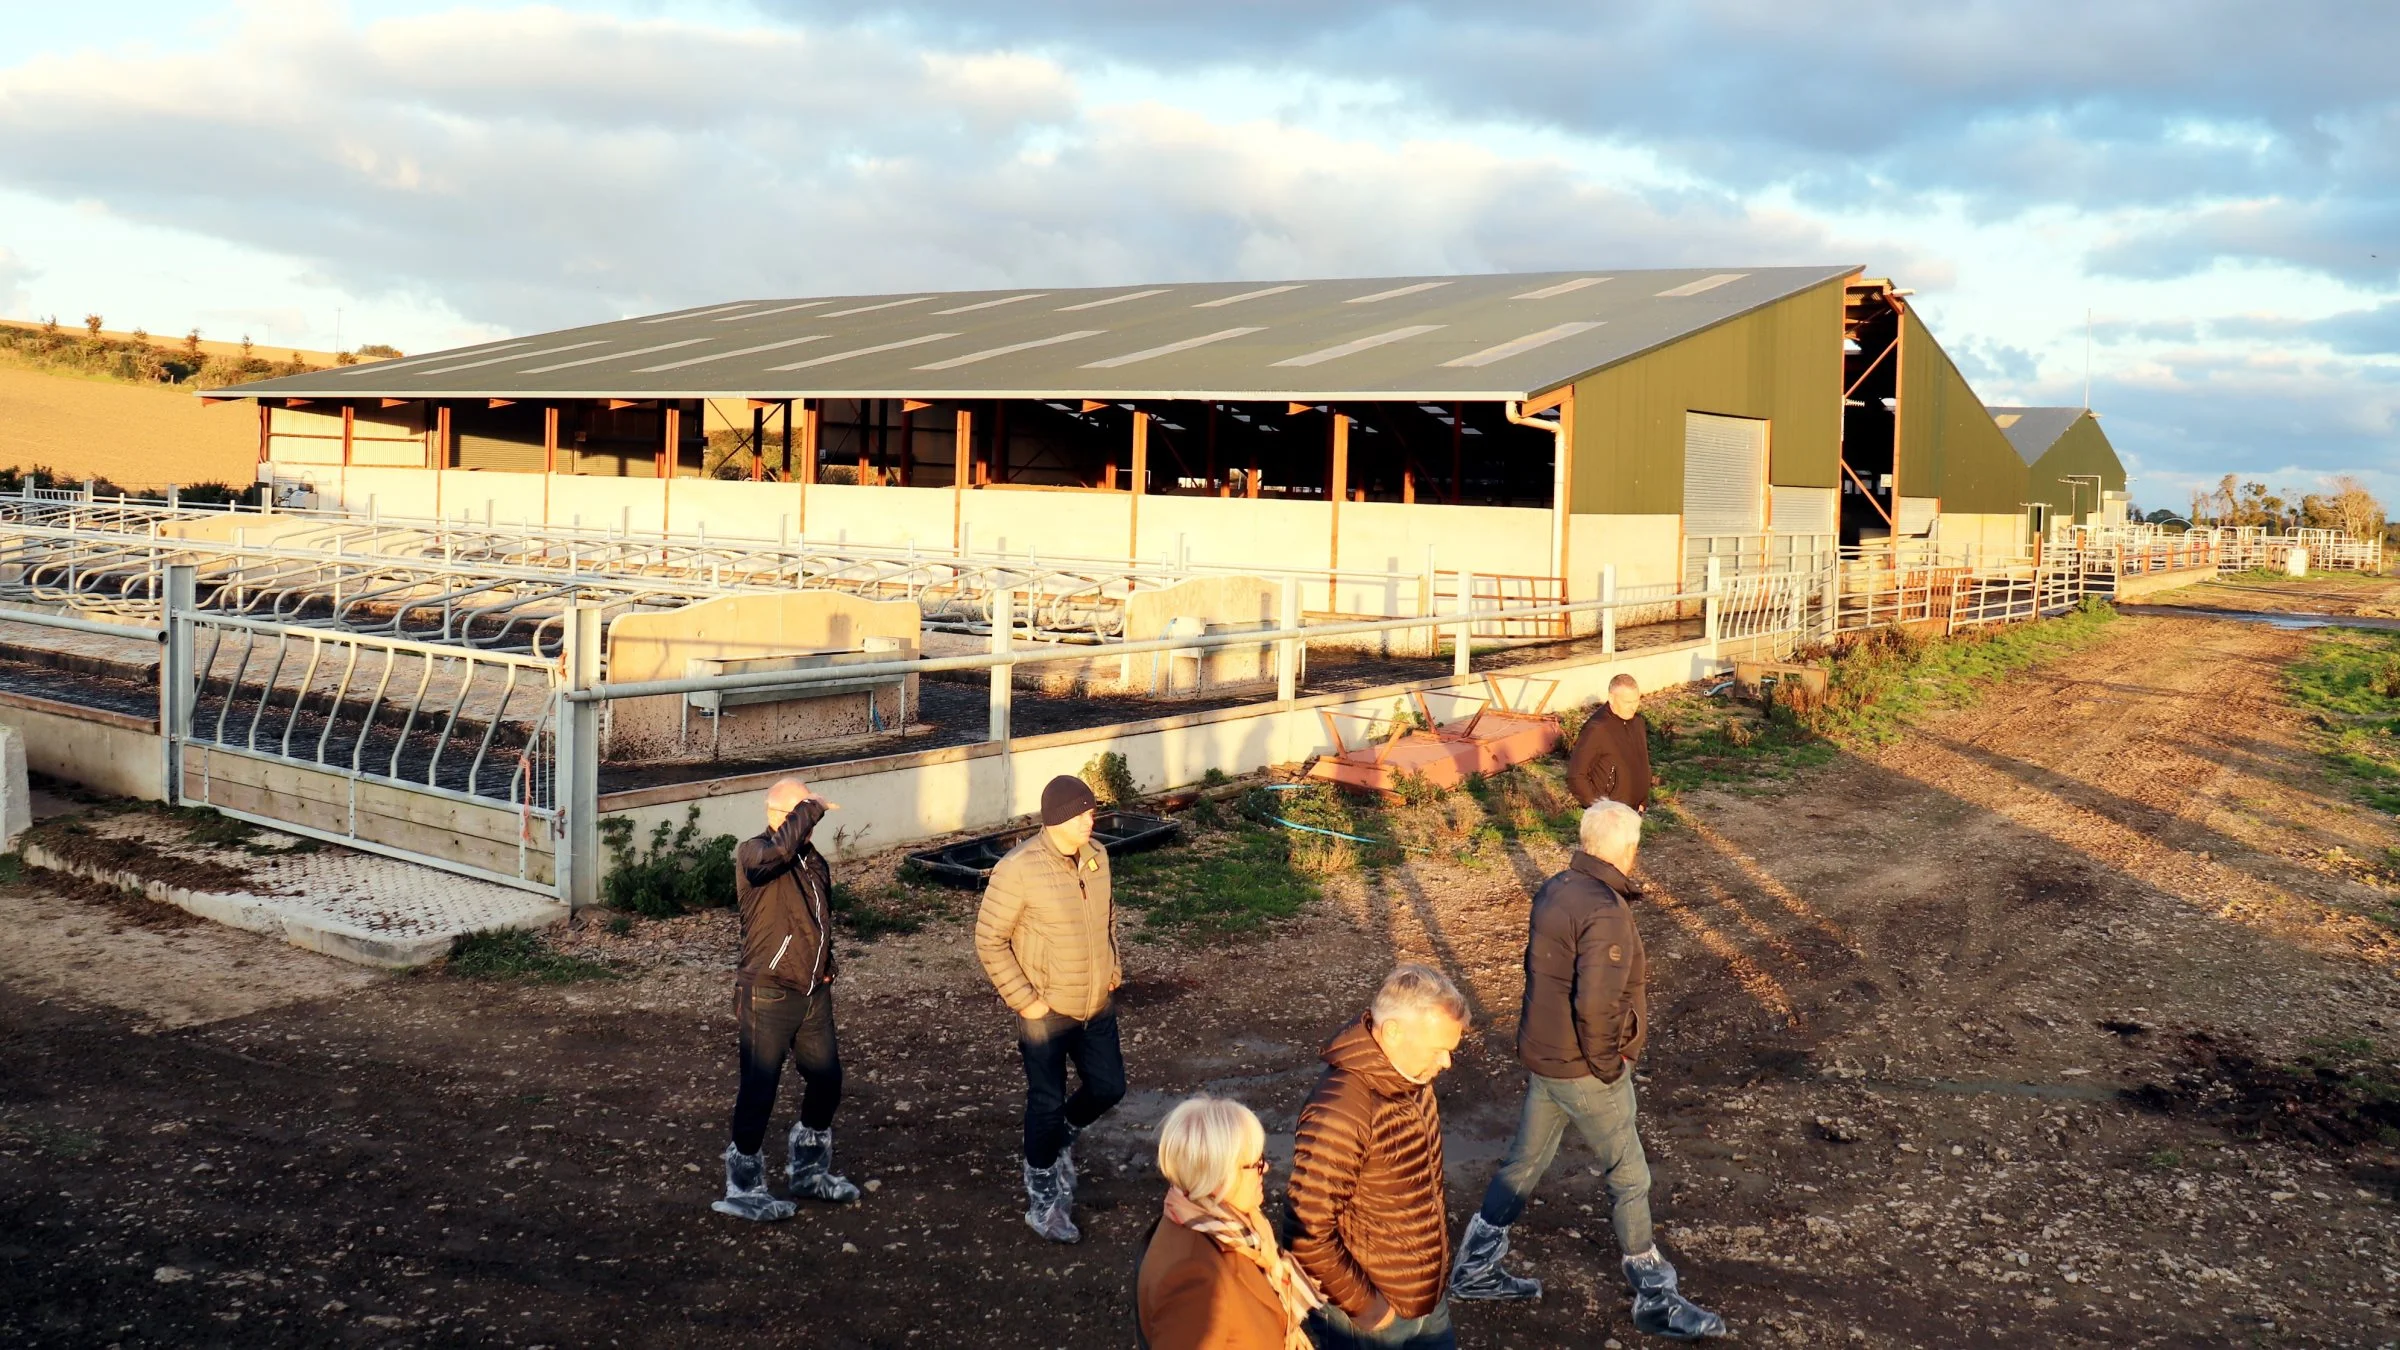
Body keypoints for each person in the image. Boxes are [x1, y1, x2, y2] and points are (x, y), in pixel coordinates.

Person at [1448, 799, 1726, 1339]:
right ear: (1627, 848)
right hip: (1582, 1066)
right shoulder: (1605, 909)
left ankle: (1475, 1268)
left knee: (1523, 1164)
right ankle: (1655, 1297)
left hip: (1546, 1056)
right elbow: (1596, 1005)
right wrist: (1608, 1065)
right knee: (1629, 1175)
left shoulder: (1557, 887)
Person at [1285, 964, 1468, 1350]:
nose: (1447, 1062)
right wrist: (1367, 1307)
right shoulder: (1342, 1109)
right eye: (1439, 1049)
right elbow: (1307, 1232)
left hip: (1425, 1298)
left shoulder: (1411, 1079)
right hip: (1373, 1317)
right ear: (1394, 1032)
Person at [976, 774, 1126, 1243]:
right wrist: (1026, 1000)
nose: (1091, 819)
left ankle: (1061, 1134)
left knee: (1109, 1087)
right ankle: (1043, 1202)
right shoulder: (1017, 869)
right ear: (1058, 818)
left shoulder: (1098, 857)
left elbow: (1108, 919)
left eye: (1091, 811)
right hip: (1045, 1011)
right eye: (1083, 813)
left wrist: (1113, 966)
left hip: (1094, 1004)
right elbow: (989, 940)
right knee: (1045, 1102)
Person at [713, 777, 861, 1222]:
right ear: (779, 816)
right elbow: (775, 856)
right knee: (760, 1089)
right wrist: (811, 807)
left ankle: (809, 1170)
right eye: (800, 815)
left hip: (812, 990)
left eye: (809, 815)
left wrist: (825, 960)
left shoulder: (813, 861)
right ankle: (742, 1186)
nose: (808, 825)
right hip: (768, 991)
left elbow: (815, 919)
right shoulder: (754, 853)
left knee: (827, 1079)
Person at [1137, 1096, 1321, 1350]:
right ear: (1217, 1174)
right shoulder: (1192, 1278)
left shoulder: (1227, 1228)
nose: (1266, 1167)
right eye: (1254, 1164)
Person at [1566, 674, 1652, 811]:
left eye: (1636, 701)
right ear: (1611, 698)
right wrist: (1600, 808)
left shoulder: (1637, 723)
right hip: (1609, 815)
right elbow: (1576, 776)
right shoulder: (1598, 728)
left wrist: (1643, 800)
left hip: (1634, 812)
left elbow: (1642, 763)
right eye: (1627, 702)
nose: (1633, 707)